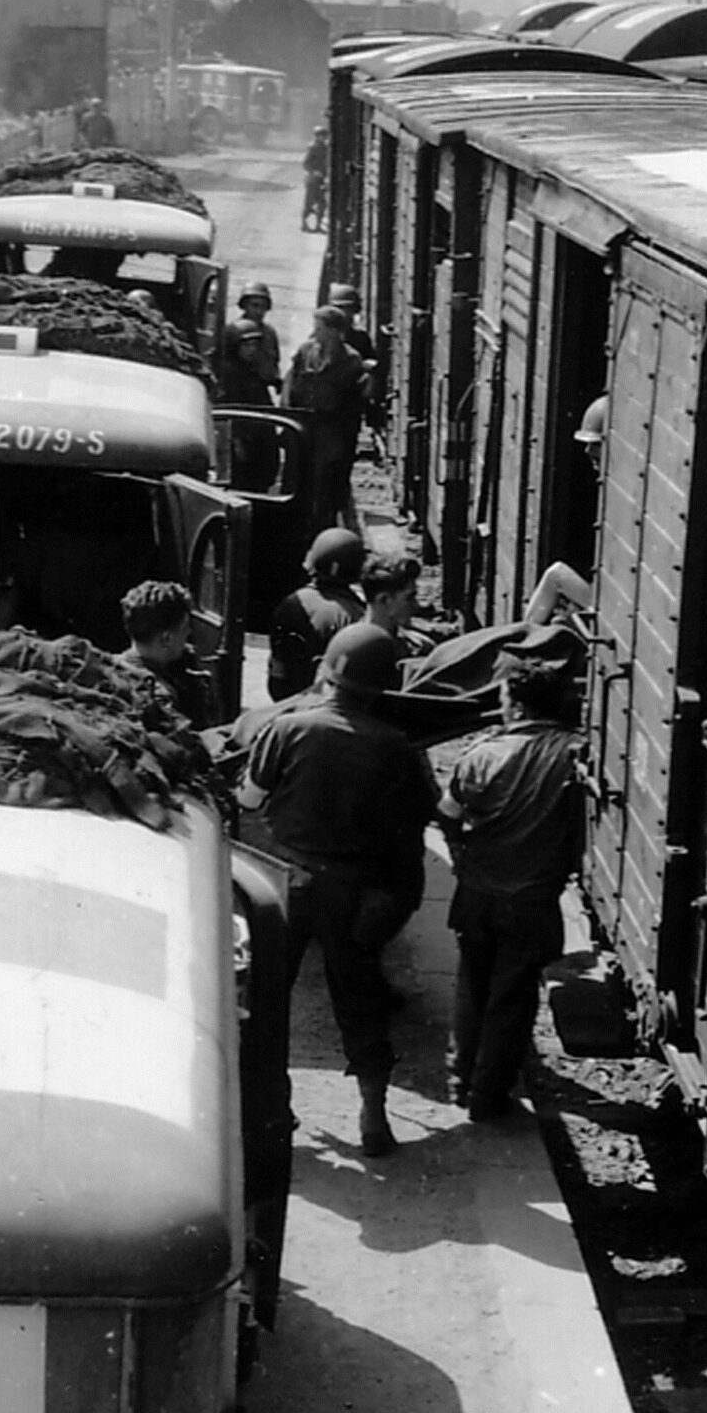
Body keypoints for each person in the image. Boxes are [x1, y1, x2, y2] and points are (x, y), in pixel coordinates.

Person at [236, 622, 438, 1157]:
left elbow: (251, 802)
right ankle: (373, 1118)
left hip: (283, 886)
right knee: (361, 1000)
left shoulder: (285, 730)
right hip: (354, 892)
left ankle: (270, 1113)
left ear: (325, 673)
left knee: (266, 1002)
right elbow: (420, 815)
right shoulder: (396, 748)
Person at [439, 654, 585, 1121]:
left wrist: (461, 856)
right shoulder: (574, 754)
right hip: (532, 901)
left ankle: (460, 1081)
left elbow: (448, 812)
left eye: (503, 699)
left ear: (519, 706)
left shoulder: (481, 755)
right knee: (512, 998)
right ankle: (488, 1095)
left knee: (471, 986)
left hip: (476, 894)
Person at [284, 305, 369, 535]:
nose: (315, 332)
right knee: (298, 480)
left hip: (332, 431)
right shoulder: (305, 352)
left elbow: (355, 404)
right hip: (304, 427)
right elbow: (291, 385)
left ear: (334, 331)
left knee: (326, 485)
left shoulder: (351, 361)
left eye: (320, 328)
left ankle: (322, 533)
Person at [266, 526, 365, 701]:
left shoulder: (291, 603)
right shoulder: (355, 614)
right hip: (326, 703)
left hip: (286, 701)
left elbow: (278, 673)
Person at [119, 578, 218, 731]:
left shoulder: (110, 667)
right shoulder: (158, 698)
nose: (189, 633)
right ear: (166, 639)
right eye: (185, 627)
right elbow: (186, 750)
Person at [218, 281, 281, 407]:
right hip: (235, 393)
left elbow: (273, 364)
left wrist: (276, 380)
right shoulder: (232, 331)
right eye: (254, 306)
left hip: (258, 391)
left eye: (263, 307)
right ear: (244, 305)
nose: (259, 311)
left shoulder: (269, 333)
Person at [301, 123, 329, 231]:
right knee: (309, 203)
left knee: (322, 204)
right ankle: (304, 223)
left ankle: (318, 225)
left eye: (324, 135)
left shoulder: (326, 148)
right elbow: (306, 163)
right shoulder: (312, 147)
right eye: (321, 135)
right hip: (312, 180)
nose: (323, 137)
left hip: (322, 179)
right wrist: (314, 172)